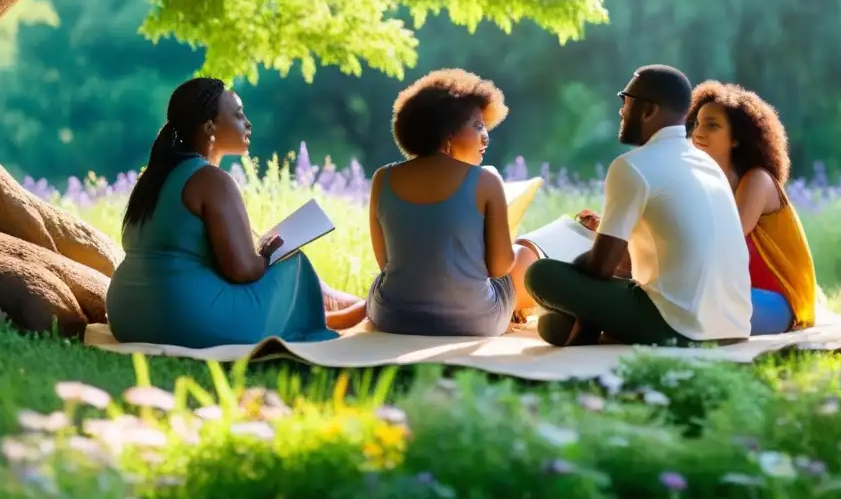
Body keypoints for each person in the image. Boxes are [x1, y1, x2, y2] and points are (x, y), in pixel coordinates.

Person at [107, 77, 364, 349]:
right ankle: (336, 315)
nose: (248, 123)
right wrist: (267, 254)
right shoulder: (211, 180)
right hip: (179, 320)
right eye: (239, 115)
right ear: (210, 128)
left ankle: (336, 309)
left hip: (126, 317)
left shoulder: (153, 179)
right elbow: (242, 271)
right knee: (292, 261)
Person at [524, 65, 752, 347]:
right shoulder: (708, 165)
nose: (621, 111)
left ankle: (594, 327)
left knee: (541, 274)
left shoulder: (632, 166)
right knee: (553, 325)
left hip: (680, 329)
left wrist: (572, 269)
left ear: (648, 111)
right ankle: (591, 328)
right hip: (733, 329)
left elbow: (600, 268)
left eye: (626, 101)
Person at [365, 69, 540, 336]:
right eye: (478, 125)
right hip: (473, 322)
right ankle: (514, 313)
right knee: (527, 252)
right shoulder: (486, 180)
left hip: (393, 317)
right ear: (447, 133)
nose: (486, 137)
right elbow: (500, 267)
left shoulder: (382, 178)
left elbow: (386, 263)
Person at [687, 81, 818, 334]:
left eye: (711, 125)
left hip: (777, 302)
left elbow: (723, 241)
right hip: (734, 292)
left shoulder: (757, 180)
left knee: (684, 306)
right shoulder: (707, 181)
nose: (698, 133)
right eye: (698, 124)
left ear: (737, 139)